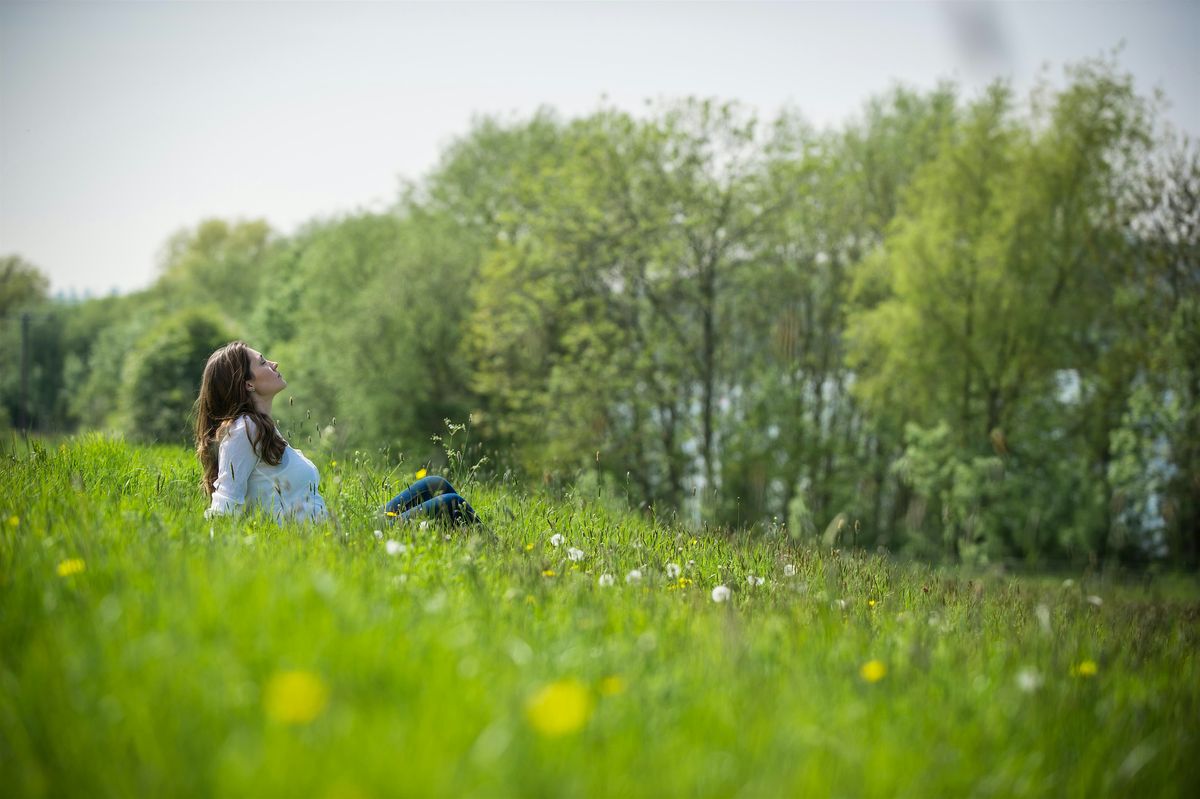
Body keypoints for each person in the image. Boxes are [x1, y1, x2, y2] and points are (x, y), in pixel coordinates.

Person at [195, 341, 479, 526]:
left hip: (337, 528)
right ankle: (503, 564)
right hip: (328, 541)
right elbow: (225, 505)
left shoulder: (262, 428)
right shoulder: (244, 430)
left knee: (435, 483)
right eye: (263, 362)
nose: (274, 364)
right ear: (248, 384)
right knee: (450, 505)